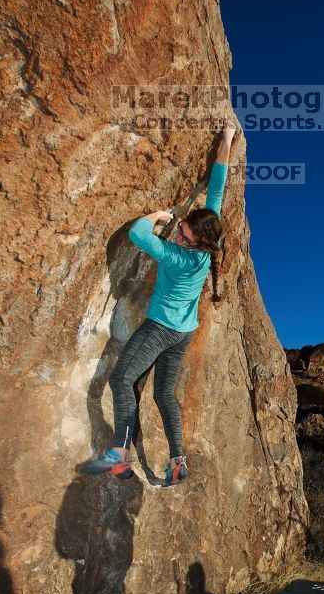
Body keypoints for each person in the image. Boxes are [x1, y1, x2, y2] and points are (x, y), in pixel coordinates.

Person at [81, 118, 236, 486]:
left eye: (183, 235)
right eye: (179, 231)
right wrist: (227, 138)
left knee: (121, 380)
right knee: (163, 393)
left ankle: (119, 455)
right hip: (184, 332)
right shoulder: (206, 243)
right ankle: (178, 460)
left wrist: (156, 217)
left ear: (196, 241)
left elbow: (139, 234)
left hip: (162, 328)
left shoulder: (179, 257)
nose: (178, 236)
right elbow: (218, 183)